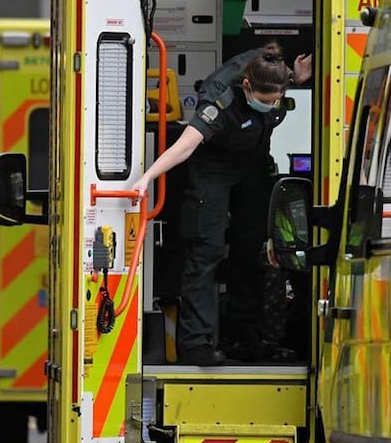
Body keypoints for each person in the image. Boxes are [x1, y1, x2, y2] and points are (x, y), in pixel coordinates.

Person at [132, 43, 312, 366]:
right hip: (212, 166)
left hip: (254, 162)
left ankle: (244, 336)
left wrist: (298, 78)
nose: (272, 107)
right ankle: (195, 342)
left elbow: (287, 82)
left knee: (253, 247)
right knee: (207, 249)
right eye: (267, 102)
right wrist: (147, 178)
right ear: (247, 88)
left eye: (278, 102)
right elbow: (186, 146)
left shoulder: (277, 74)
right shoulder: (219, 99)